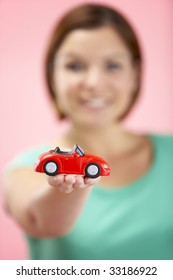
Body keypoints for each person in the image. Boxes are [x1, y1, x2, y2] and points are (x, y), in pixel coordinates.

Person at [3, 3, 173, 260]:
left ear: (135, 74)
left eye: (113, 66)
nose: (93, 83)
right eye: (75, 66)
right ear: (52, 75)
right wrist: (71, 187)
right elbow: (44, 221)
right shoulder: (23, 170)